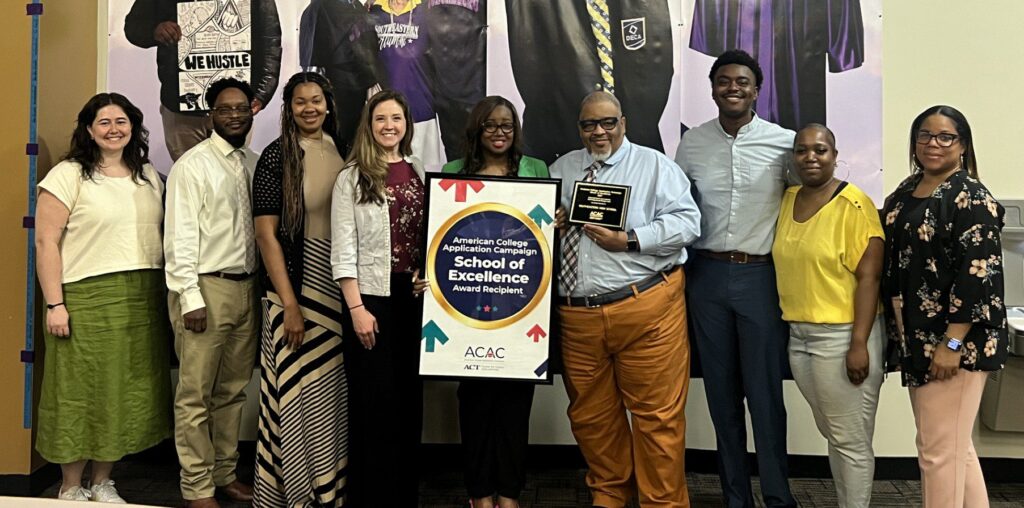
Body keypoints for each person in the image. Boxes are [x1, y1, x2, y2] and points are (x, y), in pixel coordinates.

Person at [550, 91, 701, 508]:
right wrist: (552, 221)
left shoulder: (655, 166)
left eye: (607, 123)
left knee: (657, 421)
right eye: (589, 125)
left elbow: (688, 223)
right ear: (579, 128)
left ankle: (662, 504)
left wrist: (631, 239)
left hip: (646, 310)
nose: (598, 132)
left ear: (624, 123)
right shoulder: (562, 169)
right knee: (592, 420)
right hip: (578, 318)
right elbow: (543, 231)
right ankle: (609, 496)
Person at [673, 49, 797, 508]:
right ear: (712, 89)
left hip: (760, 277)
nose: (733, 88)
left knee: (765, 396)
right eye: (724, 81)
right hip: (705, 277)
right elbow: (676, 206)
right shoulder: (692, 143)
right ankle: (735, 498)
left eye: (742, 81)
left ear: (756, 89)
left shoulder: (784, 142)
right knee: (721, 396)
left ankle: (779, 497)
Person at [35, 93, 172, 503]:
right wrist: (54, 304)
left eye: (121, 121)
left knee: (123, 391)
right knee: (77, 389)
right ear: (89, 130)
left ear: (133, 126)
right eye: (104, 122)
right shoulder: (68, 174)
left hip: (142, 297)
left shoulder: (148, 174)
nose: (114, 129)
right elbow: (45, 242)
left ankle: (102, 481)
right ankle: (71, 485)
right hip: (85, 297)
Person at [881, 106, 1008, 508]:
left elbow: (978, 277)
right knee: (951, 446)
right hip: (918, 338)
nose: (932, 144)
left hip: (957, 343)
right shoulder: (907, 189)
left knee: (937, 454)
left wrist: (951, 344)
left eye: (944, 137)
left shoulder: (971, 197)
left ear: (963, 144)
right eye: (924, 135)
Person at [441, 96, 548, 508]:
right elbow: (442, 240)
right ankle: (479, 493)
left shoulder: (536, 170)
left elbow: (542, 233)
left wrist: (552, 218)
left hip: (521, 305)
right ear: (476, 131)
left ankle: (510, 493)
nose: (500, 133)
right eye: (491, 126)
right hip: (467, 306)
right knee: (475, 404)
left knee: (515, 407)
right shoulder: (453, 172)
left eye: (507, 126)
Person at [771, 124, 884, 508]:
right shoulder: (788, 199)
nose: (811, 157)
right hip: (799, 336)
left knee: (850, 440)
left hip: (843, 336)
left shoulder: (855, 205)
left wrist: (858, 344)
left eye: (820, 150)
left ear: (835, 155)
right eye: (802, 151)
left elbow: (870, 278)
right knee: (834, 433)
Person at [251, 72, 348, 507]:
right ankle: (294, 493)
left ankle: (330, 489)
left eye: (316, 100)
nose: (310, 108)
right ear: (288, 108)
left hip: (339, 284)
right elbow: (266, 236)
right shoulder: (276, 157)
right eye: (299, 102)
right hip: (294, 285)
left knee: (330, 392)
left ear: (328, 103)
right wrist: (290, 304)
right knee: (293, 392)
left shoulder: (345, 150)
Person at [164, 78, 261, 508]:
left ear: (252, 111)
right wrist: (190, 297)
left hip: (246, 289)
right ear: (210, 116)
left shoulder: (254, 162)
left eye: (241, 108)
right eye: (225, 109)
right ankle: (197, 486)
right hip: (205, 288)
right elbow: (179, 237)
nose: (234, 115)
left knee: (234, 390)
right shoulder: (193, 165)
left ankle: (224, 474)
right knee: (195, 394)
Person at [330, 89, 427, 507]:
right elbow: (343, 250)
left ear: (407, 124)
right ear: (369, 126)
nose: (390, 126)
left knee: (409, 401)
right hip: (370, 302)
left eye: (397, 119)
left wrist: (427, 273)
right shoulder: (351, 177)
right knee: (375, 405)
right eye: (381, 119)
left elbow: (425, 235)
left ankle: (403, 495)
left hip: (412, 300)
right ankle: (372, 498)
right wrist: (356, 310)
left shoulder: (419, 168)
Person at [506, 0, 673, 164]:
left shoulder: (656, 167)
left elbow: (658, 73)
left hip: (636, 145)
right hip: (561, 146)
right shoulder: (561, 167)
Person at [124, 0, 282, 161]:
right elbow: (133, 28)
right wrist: (154, 31)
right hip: (180, 107)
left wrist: (263, 93)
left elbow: (270, 40)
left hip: (233, 108)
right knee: (188, 177)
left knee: (233, 176)